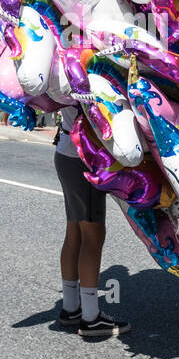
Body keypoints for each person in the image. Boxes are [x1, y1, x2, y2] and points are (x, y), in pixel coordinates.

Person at [53, 106, 128, 338]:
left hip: (65, 152)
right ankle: (91, 318)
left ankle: (71, 307)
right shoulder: (87, 74)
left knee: (74, 230)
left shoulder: (62, 72)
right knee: (93, 236)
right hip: (83, 157)